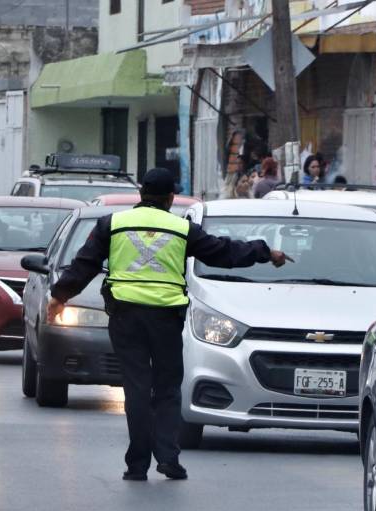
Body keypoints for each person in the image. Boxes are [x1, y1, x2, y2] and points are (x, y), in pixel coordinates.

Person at [47, 168, 293, 481]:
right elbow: (224, 252)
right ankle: (168, 459)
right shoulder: (182, 229)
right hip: (165, 318)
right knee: (166, 389)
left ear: (140, 194)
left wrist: (59, 296)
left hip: (125, 317)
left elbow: (84, 264)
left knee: (136, 389)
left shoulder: (112, 224)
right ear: (170, 198)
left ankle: (137, 465)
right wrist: (265, 252)